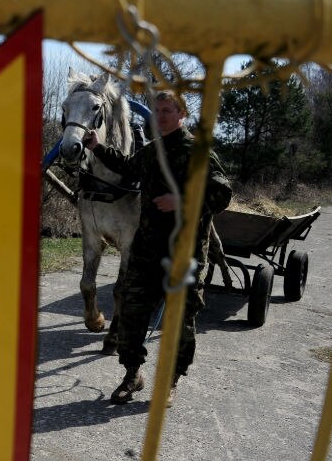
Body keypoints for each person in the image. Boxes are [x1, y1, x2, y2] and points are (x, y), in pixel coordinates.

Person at [82, 90, 232, 406]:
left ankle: (170, 382)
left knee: (180, 322)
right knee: (132, 314)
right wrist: (97, 148)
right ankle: (132, 375)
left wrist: (182, 202)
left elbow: (221, 195)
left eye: (168, 110)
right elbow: (127, 166)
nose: (161, 116)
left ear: (182, 115)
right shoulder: (152, 151)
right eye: (157, 110)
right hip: (146, 252)